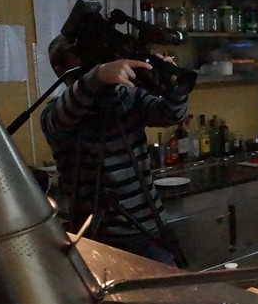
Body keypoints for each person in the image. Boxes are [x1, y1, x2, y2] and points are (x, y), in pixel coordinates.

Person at [41, 34, 190, 265]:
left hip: (151, 225)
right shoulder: (55, 112)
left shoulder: (125, 97)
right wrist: (97, 76)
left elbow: (171, 115)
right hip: (101, 236)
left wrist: (174, 86)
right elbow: (68, 109)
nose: (92, 64)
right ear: (60, 70)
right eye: (84, 60)